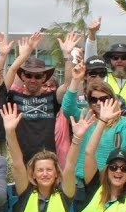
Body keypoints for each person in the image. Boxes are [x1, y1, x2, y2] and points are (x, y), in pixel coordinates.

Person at [5, 30, 78, 160]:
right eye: (28, 75)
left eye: (38, 76)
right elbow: (11, 74)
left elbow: (67, 84)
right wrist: (25, 54)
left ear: (44, 77)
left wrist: (67, 55)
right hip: (20, 161)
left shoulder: (51, 98)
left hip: (46, 162)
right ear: (22, 76)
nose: (33, 79)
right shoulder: (13, 97)